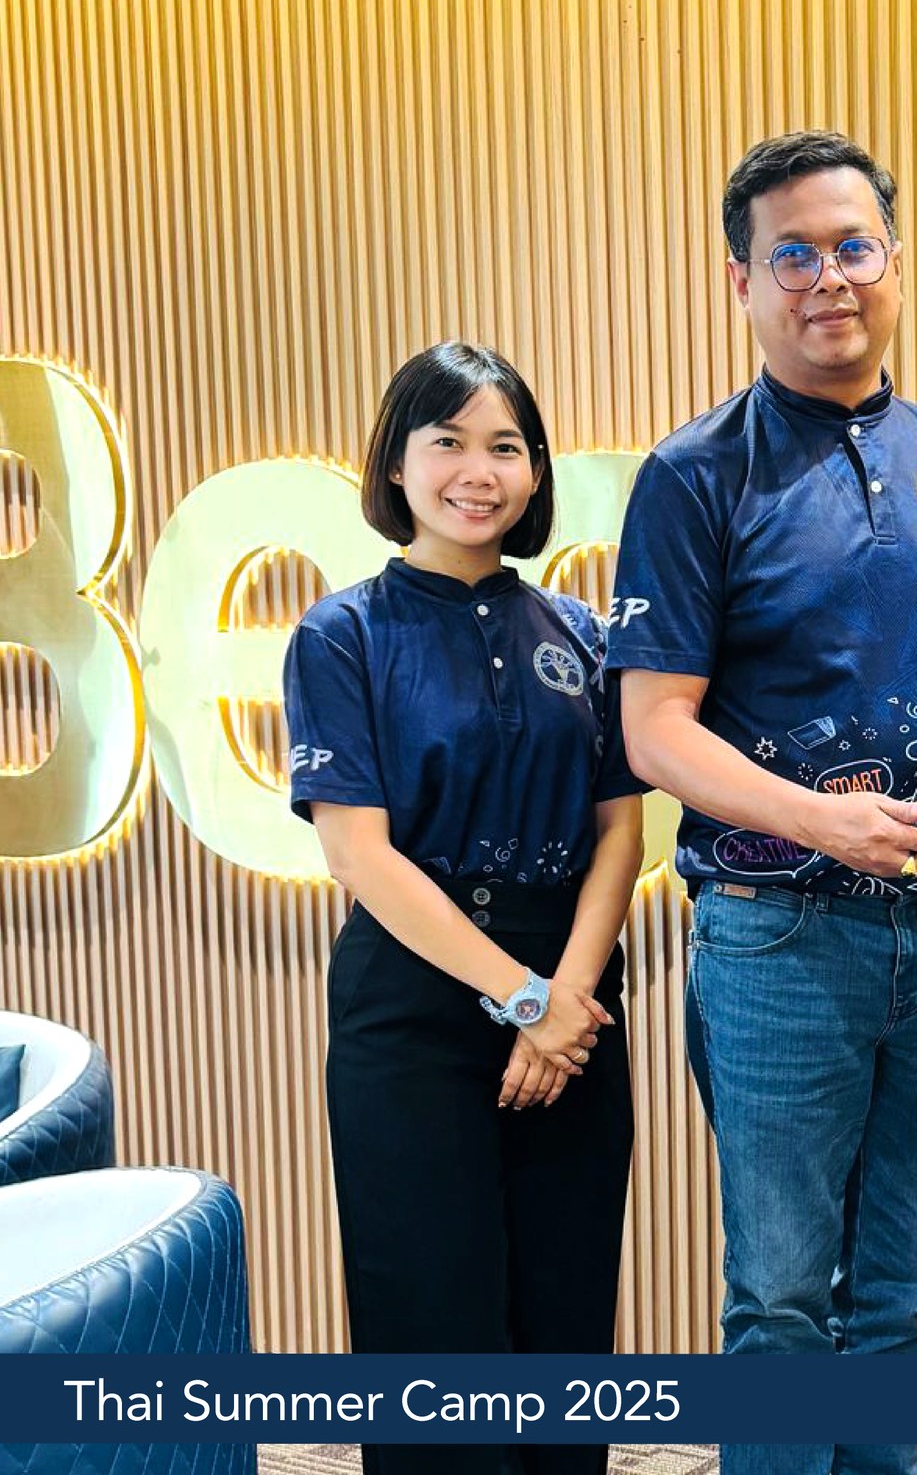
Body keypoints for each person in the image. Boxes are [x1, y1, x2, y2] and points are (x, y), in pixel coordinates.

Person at [608, 130, 917, 1475]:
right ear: (741, 281)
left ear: (896, 262)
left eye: (854, 247)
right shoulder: (694, 475)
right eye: (792, 255)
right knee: (782, 1306)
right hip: (777, 938)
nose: (830, 279)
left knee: (905, 1300)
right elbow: (653, 728)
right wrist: (821, 819)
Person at [283, 342, 643, 1475]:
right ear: (396, 463)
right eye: (447, 442)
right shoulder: (340, 634)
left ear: (535, 474)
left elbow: (620, 834)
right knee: (430, 1320)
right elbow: (359, 853)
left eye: (505, 447)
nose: (477, 472)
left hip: (574, 1002)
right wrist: (523, 998)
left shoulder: (584, 637)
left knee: (565, 1312)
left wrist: (565, 999)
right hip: (415, 1002)